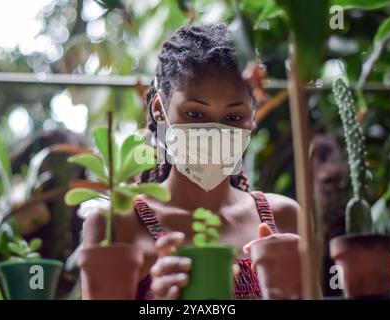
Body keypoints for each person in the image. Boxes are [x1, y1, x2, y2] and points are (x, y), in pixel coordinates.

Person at [83, 23, 300, 300]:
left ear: (253, 117)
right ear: (160, 110)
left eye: (233, 118)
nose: (214, 132)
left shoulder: (283, 218)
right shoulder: (116, 226)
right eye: (195, 114)